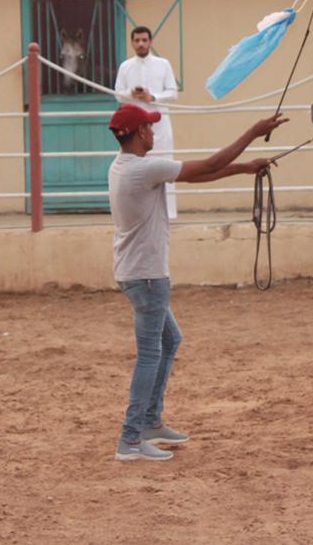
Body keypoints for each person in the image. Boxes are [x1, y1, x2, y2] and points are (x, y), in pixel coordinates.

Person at [108, 104, 287, 462]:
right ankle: (130, 439)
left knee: (170, 340)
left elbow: (198, 175)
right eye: (150, 126)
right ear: (140, 132)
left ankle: (149, 421)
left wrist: (245, 168)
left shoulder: (125, 167)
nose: (155, 131)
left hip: (137, 273)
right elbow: (205, 166)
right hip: (147, 276)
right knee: (150, 355)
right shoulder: (144, 169)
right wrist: (253, 132)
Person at [115, 26, 181, 218]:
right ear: (132, 42)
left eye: (144, 40)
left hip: (159, 125)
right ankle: (139, 212)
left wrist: (152, 97)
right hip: (134, 127)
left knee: (165, 165)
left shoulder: (163, 64)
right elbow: (119, 94)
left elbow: (172, 93)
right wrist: (132, 94)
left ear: (151, 42)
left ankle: (168, 213)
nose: (141, 44)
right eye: (137, 40)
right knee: (136, 166)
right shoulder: (125, 66)